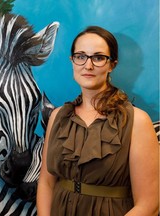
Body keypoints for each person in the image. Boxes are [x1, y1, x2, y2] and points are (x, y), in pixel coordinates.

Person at [37, 26, 159, 216]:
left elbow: (149, 203)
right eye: (80, 56)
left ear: (112, 64)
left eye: (98, 57)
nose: (88, 65)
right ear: (72, 61)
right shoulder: (57, 117)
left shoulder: (137, 121)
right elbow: (46, 182)